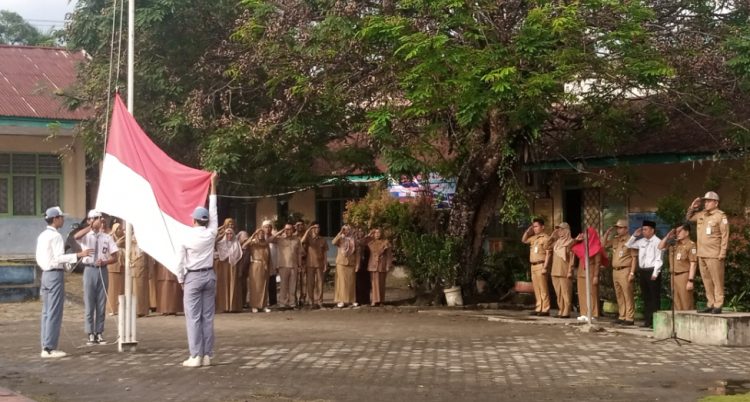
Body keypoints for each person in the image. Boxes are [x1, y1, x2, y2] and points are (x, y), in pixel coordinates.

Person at [36, 206, 92, 358]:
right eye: (61, 217)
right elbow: (59, 258)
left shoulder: (42, 235)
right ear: (55, 219)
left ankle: (45, 344)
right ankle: (49, 347)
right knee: (54, 312)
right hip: (54, 274)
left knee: (47, 312)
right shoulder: (55, 237)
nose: (63, 220)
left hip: (46, 274)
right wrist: (78, 254)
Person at [176, 172, 218, 368]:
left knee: (193, 318)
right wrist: (213, 185)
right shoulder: (211, 233)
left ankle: (195, 355)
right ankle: (207, 355)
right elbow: (215, 210)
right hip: (209, 275)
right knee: (207, 317)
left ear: (194, 220)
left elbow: (179, 262)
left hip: (193, 276)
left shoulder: (185, 237)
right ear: (206, 220)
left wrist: (180, 279)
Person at [74, 209, 119, 345]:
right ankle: (90, 333)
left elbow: (115, 256)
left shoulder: (107, 237)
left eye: (99, 218)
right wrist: (91, 226)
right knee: (89, 302)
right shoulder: (86, 236)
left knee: (101, 302)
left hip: (102, 270)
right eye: (94, 218)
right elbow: (76, 237)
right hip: (89, 270)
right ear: (89, 220)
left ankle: (99, 332)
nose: (98, 221)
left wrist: (105, 261)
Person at [686, 191, 730, 314]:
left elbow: (725, 235)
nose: (706, 203)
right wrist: (692, 207)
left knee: (717, 280)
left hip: (714, 254)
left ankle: (718, 304)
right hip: (702, 253)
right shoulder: (702, 215)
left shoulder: (721, 216)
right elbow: (688, 218)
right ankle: (710, 303)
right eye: (705, 201)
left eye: (709, 201)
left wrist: (722, 252)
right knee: (707, 280)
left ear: (716, 203)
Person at [626, 220, 663, 328]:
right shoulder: (641, 241)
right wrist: (634, 235)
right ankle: (647, 321)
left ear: (652, 230)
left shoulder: (658, 242)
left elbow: (659, 259)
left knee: (654, 297)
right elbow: (628, 245)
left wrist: (656, 272)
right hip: (643, 271)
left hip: (653, 271)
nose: (643, 231)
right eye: (643, 229)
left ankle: (655, 321)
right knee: (646, 297)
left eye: (646, 229)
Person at [603, 219, 638, 326]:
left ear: (626, 229)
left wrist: (632, 273)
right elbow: (603, 244)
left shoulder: (631, 240)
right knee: (619, 294)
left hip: (625, 270)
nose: (618, 230)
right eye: (617, 228)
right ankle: (622, 315)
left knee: (627, 294)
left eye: (620, 227)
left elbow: (634, 258)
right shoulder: (616, 240)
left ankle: (629, 317)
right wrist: (607, 233)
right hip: (616, 271)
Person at [659, 224, 698, 311]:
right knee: (676, 302)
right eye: (676, 231)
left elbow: (693, 263)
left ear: (687, 232)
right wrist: (668, 236)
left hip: (684, 276)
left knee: (686, 301)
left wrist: (690, 280)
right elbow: (660, 247)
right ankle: (677, 322)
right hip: (673, 276)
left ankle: (688, 322)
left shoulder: (691, 245)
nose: (677, 233)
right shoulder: (674, 244)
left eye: (680, 231)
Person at [572, 227, 607, 321]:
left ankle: (593, 313)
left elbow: (598, 263)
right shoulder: (582, 245)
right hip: (581, 272)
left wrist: (596, 275)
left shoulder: (597, 247)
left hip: (591, 273)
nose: (585, 236)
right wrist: (576, 240)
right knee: (582, 293)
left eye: (587, 234)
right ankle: (584, 313)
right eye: (585, 234)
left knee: (592, 294)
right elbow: (569, 248)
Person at [521, 218, 551, 316]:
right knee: (536, 288)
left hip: (541, 264)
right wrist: (527, 231)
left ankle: (545, 309)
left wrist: (545, 267)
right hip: (533, 265)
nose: (534, 228)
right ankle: (539, 307)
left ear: (542, 227)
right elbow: (524, 240)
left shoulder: (546, 238)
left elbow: (548, 254)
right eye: (533, 226)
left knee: (543, 288)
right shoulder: (533, 238)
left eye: (536, 226)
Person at [269, 223, 302, 308]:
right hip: (283, 265)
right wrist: (281, 231)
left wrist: (299, 265)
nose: (288, 231)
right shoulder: (280, 239)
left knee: (293, 285)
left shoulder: (297, 240)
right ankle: (282, 303)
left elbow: (299, 253)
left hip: (294, 265)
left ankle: (292, 302)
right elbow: (269, 239)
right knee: (283, 285)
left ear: (293, 230)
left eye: (289, 229)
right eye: (286, 229)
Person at [546, 222, 574, 318]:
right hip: (555, 270)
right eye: (558, 229)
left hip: (564, 270)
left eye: (561, 229)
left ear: (566, 230)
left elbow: (572, 258)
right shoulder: (557, 242)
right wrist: (552, 236)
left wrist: (570, 270)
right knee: (558, 292)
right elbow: (546, 246)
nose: (559, 231)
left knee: (566, 292)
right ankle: (561, 309)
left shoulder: (571, 242)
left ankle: (567, 311)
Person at [301, 222, 329, 308]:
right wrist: (309, 229)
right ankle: (311, 301)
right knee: (310, 283)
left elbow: (325, 253)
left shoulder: (322, 239)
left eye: (318, 227)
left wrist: (325, 263)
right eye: (315, 227)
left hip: (320, 264)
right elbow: (302, 241)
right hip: (310, 264)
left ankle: (320, 301)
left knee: (320, 283)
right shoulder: (308, 239)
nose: (317, 229)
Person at [215, 224, 243, 313]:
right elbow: (213, 241)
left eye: (231, 234)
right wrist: (222, 232)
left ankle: (233, 306)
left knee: (233, 284)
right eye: (227, 234)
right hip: (223, 266)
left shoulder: (236, 243)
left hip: (233, 266)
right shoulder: (220, 244)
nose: (229, 236)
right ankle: (224, 306)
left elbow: (238, 255)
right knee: (223, 285)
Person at [244, 228, 272, 313]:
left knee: (264, 286)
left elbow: (269, 256)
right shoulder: (253, 242)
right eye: (259, 233)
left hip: (265, 266)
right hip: (255, 265)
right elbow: (244, 245)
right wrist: (253, 235)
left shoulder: (266, 244)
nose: (261, 234)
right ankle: (254, 305)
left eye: (262, 233)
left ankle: (263, 305)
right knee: (255, 286)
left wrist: (270, 266)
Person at [362, 228, 393, 307]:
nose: (377, 234)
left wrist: (388, 265)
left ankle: (382, 300)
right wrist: (368, 235)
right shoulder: (371, 242)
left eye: (379, 232)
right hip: (373, 264)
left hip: (382, 264)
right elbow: (362, 243)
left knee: (381, 283)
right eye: (376, 233)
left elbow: (389, 255)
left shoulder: (386, 243)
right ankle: (375, 300)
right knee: (374, 283)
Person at [332, 225, 359, 308]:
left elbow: (357, 253)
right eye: (345, 230)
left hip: (351, 263)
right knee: (342, 282)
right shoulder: (341, 238)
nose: (346, 231)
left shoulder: (354, 239)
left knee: (351, 282)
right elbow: (333, 242)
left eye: (348, 230)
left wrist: (357, 265)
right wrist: (340, 233)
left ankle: (351, 300)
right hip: (341, 263)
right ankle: (341, 300)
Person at [213, 218, 236, 313]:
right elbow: (213, 242)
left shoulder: (233, 234)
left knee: (231, 283)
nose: (230, 226)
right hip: (221, 261)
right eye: (228, 224)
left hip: (231, 261)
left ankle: (230, 306)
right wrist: (223, 231)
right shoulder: (220, 233)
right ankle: (222, 305)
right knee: (221, 283)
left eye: (232, 224)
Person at [106, 222, 126, 315]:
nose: (120, 230)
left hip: (122, 266)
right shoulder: (109, 238)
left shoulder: (125, 239)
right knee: (112, 289)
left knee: (121, 289)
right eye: (118, 229)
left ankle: (120, 308)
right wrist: (116, 245)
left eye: (121, 228)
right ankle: (112, 308)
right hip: (113, 267)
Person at [130, 235, 151, 317]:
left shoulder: (145, 247)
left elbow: (149, 259)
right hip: (135, 270)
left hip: (144, 270)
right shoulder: (131, 246)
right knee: (135, 292)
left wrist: (150, 271)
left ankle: (144, 311)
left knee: (144, 292)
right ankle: (136, 311)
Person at [261, 220, 279, 307]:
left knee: (272, 283)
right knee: (263, 283)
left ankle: (273, 302)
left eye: (269, 227)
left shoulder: (275, 238)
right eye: (266, 227)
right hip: (263, 264)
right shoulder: (260, 238)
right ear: (262, 228)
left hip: (273, 263)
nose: (268, 229)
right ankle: (262, 302)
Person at [293, 220, 308, 306]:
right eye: (298, 225)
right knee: (294, 281)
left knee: (304, 281)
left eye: (302, 225)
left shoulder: (306, 236)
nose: (300, 227)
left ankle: (303, 298)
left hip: (304, 260)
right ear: (295, 226)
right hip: (294, 261)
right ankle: (294, 299)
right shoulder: (293, 236)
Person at [236, 230, 252, 309]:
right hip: (238, 269)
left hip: (246, 270)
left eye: (246, 237)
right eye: (244, 238)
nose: (245, 239)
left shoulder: (249, 248)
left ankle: (244, 302)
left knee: (245, 286)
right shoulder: (237, 247)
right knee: (238, 286)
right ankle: (238, 302)